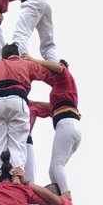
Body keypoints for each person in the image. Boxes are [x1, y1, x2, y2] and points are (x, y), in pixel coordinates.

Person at [0, 47, 61, 174]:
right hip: (17, 100)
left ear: (3, 56)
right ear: (18, 55)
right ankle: (17, 174)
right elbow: (52, 73)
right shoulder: (26, 64)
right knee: (18, 142)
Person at [28, 60, 81, 194]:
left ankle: (65, 197)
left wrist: (31, 59)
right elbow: (51, 107)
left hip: (66, 124)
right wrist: (34, 102)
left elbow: (58, 67)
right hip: (70, 125)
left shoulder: (65, 77)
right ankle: (58, 199)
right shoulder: (63, 90)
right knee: (53, 170)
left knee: (57, 166)